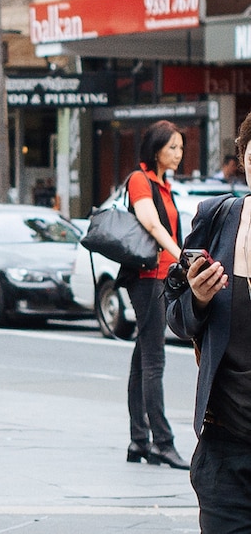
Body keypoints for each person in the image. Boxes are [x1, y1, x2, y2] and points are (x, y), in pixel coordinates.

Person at [167, 110, 251, 532]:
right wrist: (197, 299)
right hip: (227, 449)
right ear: (243, 158)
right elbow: (177, 318)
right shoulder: (218, 220)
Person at [123, 120, 189, 470]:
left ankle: (138, 440)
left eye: (180, 148)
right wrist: (181, 256)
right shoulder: (140, 180)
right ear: (156, 148)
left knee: (141, 359)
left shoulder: (165, 186)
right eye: (173, 147)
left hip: (162, 276)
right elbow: (150, 223)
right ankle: (162, 443)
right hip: (148, 277)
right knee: (154, 360)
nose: (178, 154)